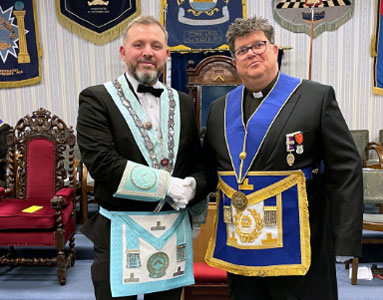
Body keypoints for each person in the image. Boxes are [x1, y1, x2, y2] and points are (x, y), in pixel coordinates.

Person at [203, 16, 363, 300]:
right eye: (242, 50)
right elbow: (207, 169)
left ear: (274, 50)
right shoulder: (219, 109)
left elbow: (346, 169)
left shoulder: (316, 97)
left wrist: (345, 237)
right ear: (235, 61)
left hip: (301, 244)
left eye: (258, 45)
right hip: (242, 246)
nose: (251, 53)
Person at [77, 15, 207, 300]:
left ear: (166, 55)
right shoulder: (96, 98)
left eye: (156, 45)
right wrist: (166, 186)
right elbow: (101, 162)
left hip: (170, 233)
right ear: (124, 52)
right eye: (138, 44)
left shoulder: (183, 102)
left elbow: (199, 162)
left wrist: (194, 187)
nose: (147, 51)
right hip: (117, 233)